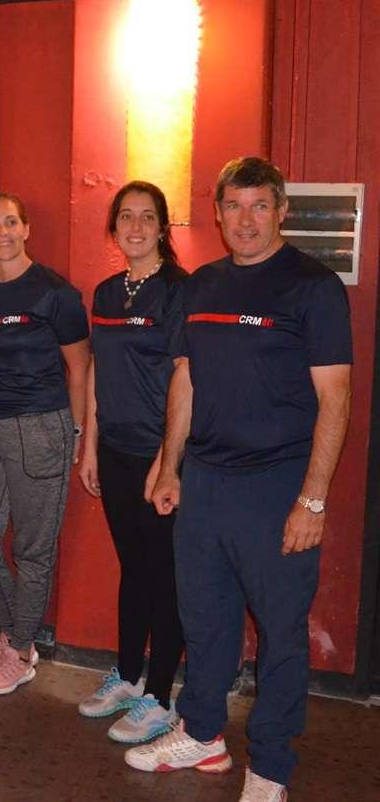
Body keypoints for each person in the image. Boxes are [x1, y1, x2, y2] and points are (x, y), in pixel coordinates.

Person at [128, 158, 352, 801]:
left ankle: (271, 765)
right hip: (205, 481)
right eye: (234, 206)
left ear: (282, 210)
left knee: (280, 632)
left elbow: (336, 399)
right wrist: (169, 465)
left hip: (277, 486)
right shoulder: (202, 286)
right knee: (205, 618)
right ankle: (203, 732)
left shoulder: (313, 287)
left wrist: (313, 500)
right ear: (218, 212)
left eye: (259, 206)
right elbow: (187, 379)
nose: (246, 220)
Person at [0, 192, 89, 696]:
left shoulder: (55, 292)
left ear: (26, 228)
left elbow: (79, 367)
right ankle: (16, 635)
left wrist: (75, 432)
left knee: (33, 550)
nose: (3, 232)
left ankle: (19, 651)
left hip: (40, 424)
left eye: (11, 222)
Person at [76, 181, 187, 743]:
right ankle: (126, 675)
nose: (136, 227)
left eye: (147, 217)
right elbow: (97, 369)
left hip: (160, 457)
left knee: (165, 574)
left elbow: (188, 378)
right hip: (116, 451)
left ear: (163, 227)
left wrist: (167, 462)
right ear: (114, 227)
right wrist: (90, 445)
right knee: (134, 567)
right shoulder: (105, 293)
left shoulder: (179, 290)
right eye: (126, 216)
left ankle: (160, 696)